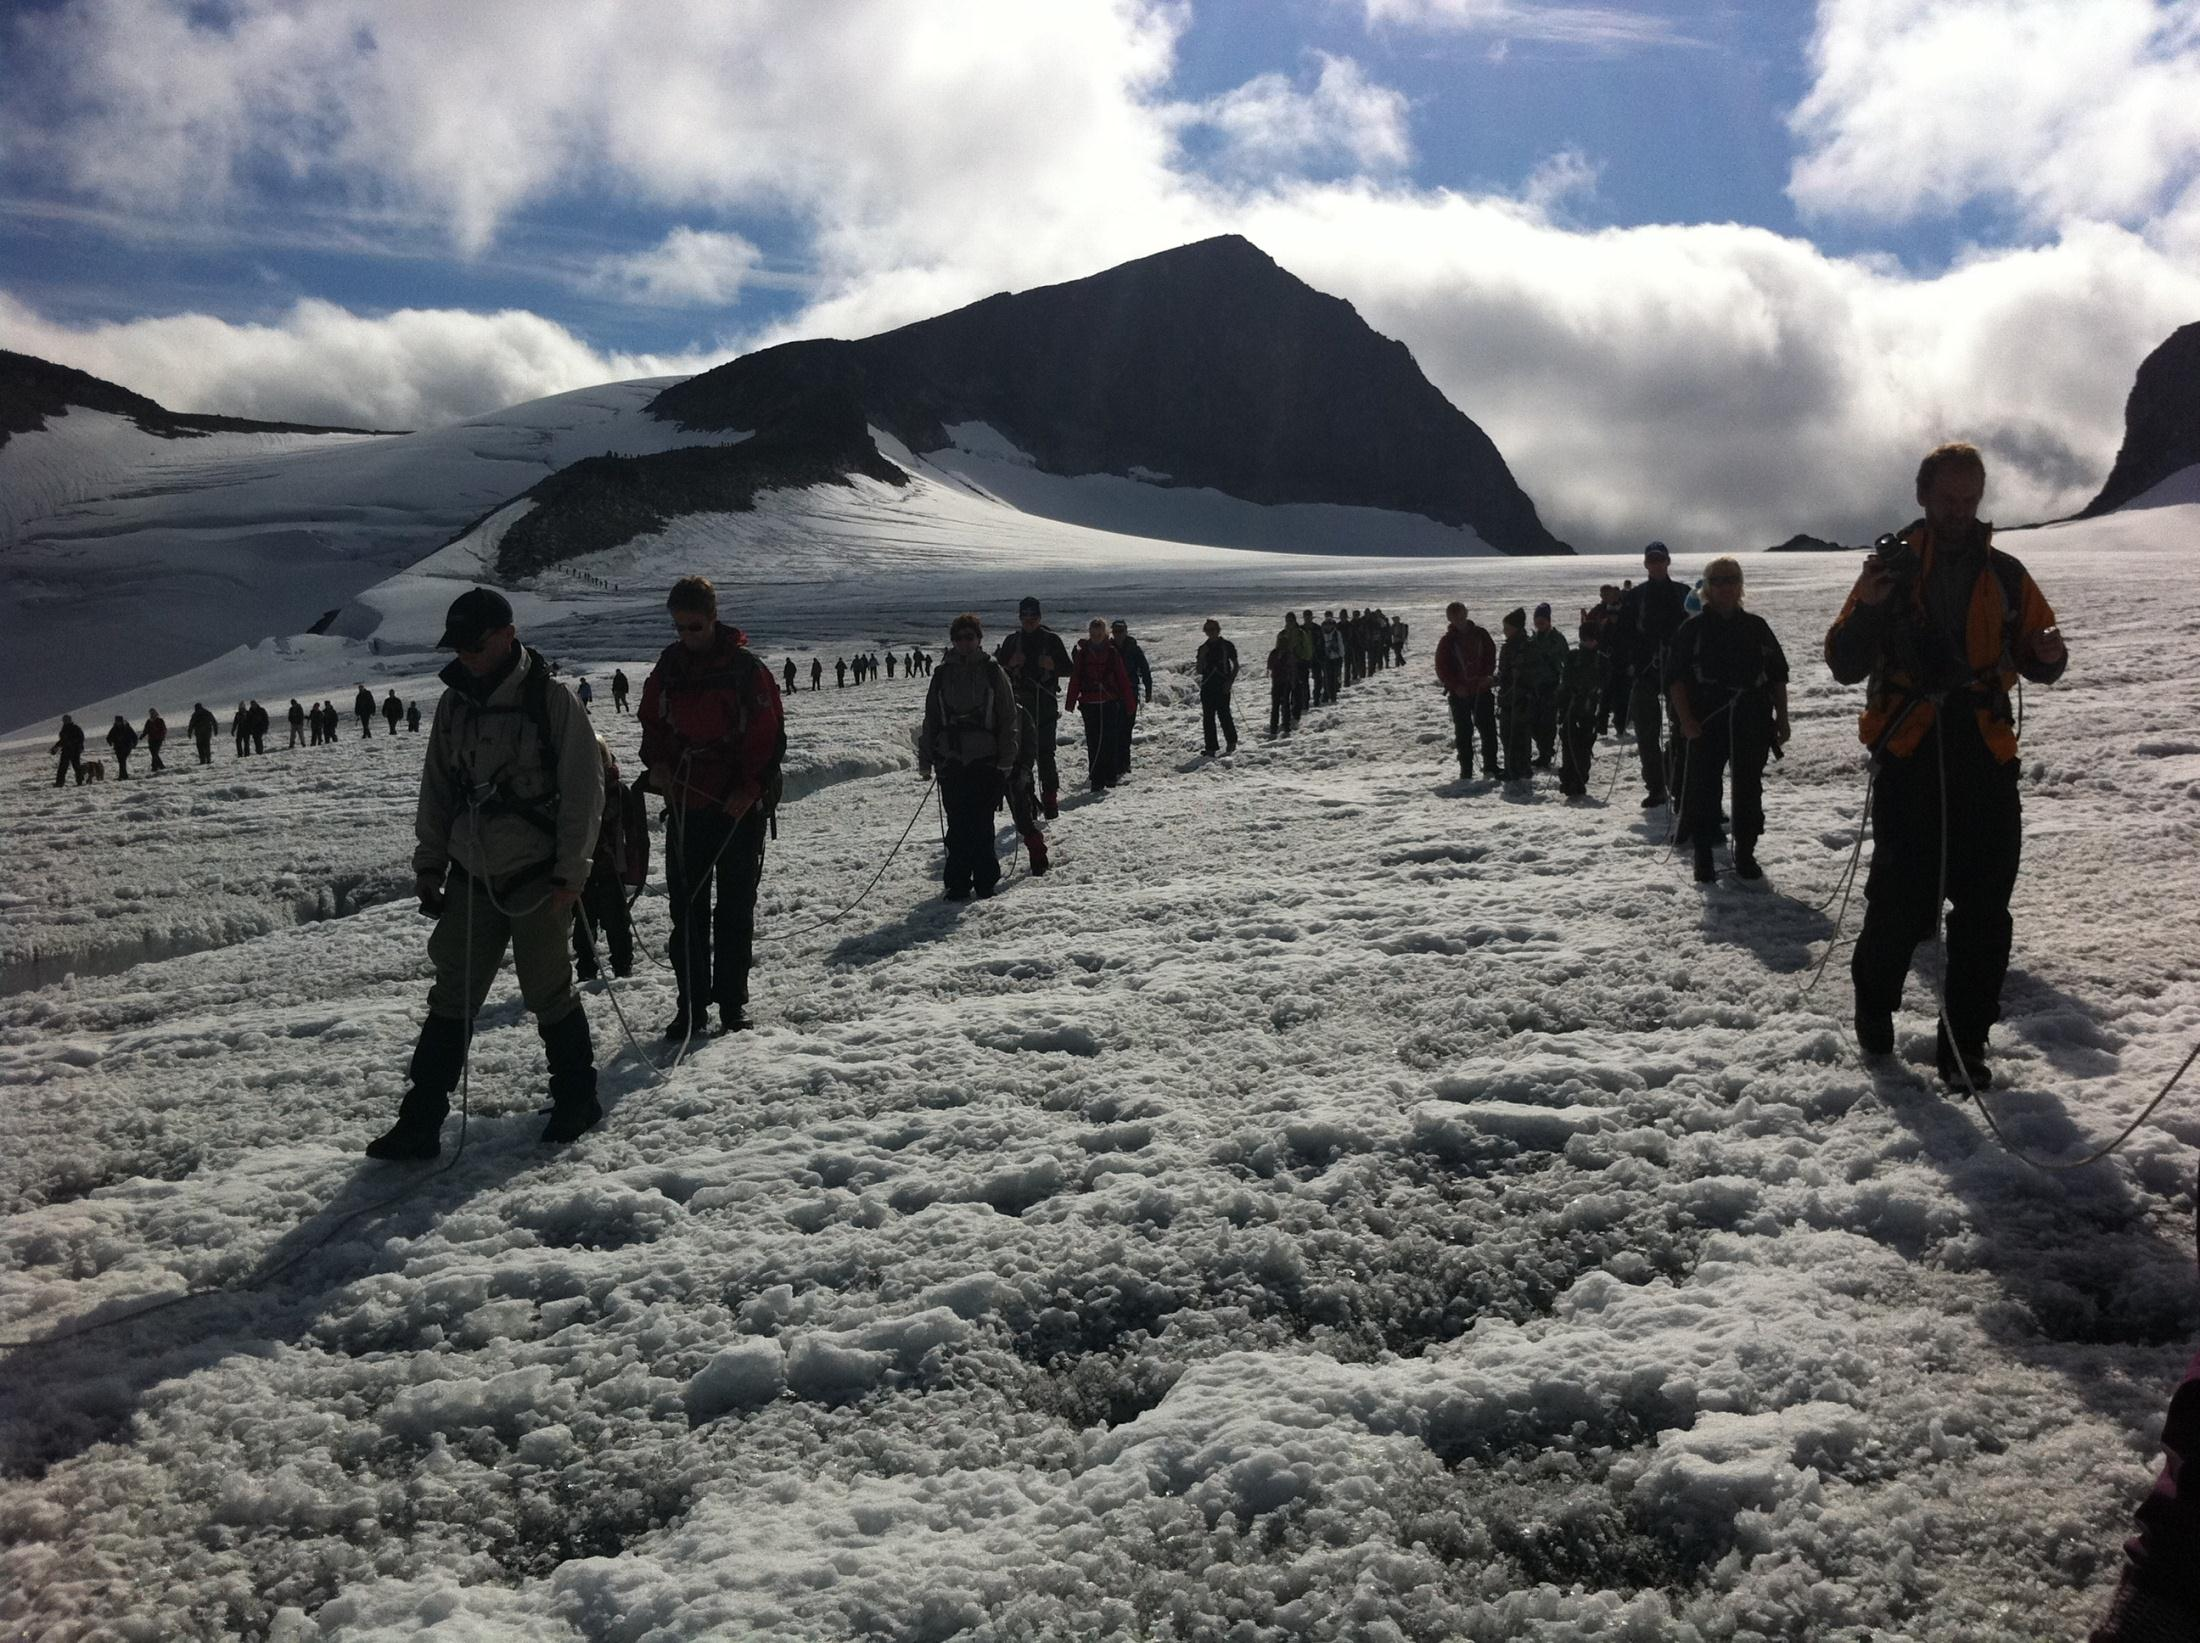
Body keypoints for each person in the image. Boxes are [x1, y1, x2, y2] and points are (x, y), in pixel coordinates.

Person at [1825, 441, 2065, 1087]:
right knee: (1900, 907)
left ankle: (1964, 1047)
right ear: (1923, 496)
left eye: (1969, 499)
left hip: (1985, 756)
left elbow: (2043, 658)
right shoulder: (1887, 574)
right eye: (1948, 498)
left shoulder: (2008, 575)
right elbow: (1844, 661)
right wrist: (1873, 606)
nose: (1959, 510)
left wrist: (2047, 653)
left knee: (1985, 911)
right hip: (1910, 753)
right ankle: (1874, 1006)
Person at [368, 586, 604, 1160]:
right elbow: (438, 787)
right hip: (472, 872)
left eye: (475, 644)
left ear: (507, 635)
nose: (466, 655)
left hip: (537, 876)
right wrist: (429, 863)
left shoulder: (552, 702)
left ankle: (578, 1097)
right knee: (452, 993)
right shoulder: (453, 705)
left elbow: (583, 792)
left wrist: (571, 875)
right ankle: (421, 1120)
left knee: (548, 989)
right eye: (461, 645)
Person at [640, 576, 783, 1040]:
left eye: (694, 627)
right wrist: (657, 763)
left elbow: (768, 736)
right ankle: (691, 1007)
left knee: (735, 907)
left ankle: (731, 1004)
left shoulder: (747, 671)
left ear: (713, 618)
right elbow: (652, 723)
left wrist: (750, 788)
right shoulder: (668, 667)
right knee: (687, 910)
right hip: (686, 803)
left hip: (737, 807)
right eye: (680, 628)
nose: (687, 636)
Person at [1667, 558, 1790, 880]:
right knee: (1704, 788)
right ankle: (1704, 855)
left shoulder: (1757, 627)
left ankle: (1746, 854)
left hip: (1752, 718)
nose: (1725, 586)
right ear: (1707, 587)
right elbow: (1676, 679)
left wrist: (1783, 718)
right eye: (1718, 580)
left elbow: (1777, 674)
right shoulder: (1691, 630)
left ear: (1740, 585)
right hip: (1706, 719)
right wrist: (1685, 720)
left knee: (1749, 788)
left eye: (1731, 579)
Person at [918, 613, 1021, 900]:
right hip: (951, 760)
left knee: (981, 823)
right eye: (959, 637)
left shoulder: (992, 672)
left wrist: (1007, 759)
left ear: (979, 639)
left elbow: (1008, 717)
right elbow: (932, 719)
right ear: (953, 641)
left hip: (986, 760)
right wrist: (925, 759)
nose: (964, 642)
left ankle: (985, 880)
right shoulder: (941, 675)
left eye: (969, 637)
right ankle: (958, 882)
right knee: (957, 826)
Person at [1616, 542, 1690, 807]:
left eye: (1660, 560)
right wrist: (1635, 661)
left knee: (1682, 729)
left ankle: (1678, 781)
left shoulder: (1684, 593)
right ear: (1646, 564)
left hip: (1677, 673)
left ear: (1667, 562)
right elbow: (1623, 634)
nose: (1657, 565)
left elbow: (1695, 632)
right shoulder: (1635, 597)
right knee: (1647, 733)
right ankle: (1656, 787)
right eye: (1652, 561)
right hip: (1645, 672)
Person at [995, 596, 1074, 817]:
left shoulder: (1052, 640)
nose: (1029, 619)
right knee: (1022, 758)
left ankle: (1050, 802)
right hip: (1019, 705)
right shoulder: (1011, 642)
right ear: (1020, 617)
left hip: (1045, 703)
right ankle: (1027, 802)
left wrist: (1054, 666)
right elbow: (997, 672)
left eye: (1033, 615)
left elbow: (1070, 668)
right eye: (1025, 615)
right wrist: (1010, 664)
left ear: (1039, 616)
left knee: (1045, 753)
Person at [571, 736, 636, 985]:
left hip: (611, 870)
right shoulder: (575, 792)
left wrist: (633, 870)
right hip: (583, 871)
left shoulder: (619, 793)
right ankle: (586, 968)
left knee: (616, 922)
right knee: (584, 924)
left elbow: (633, 832)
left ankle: (622, 966)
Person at [1064, 618, 1135, 794]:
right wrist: (1070, 702)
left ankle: (1110, 776)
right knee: (1093, 741)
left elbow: (1122, 678)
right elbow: (1076, 678)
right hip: (1089, 703)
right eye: (1093, 634)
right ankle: (1096, 778)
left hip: (1109, 701)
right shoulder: (1083, 654)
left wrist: (1130, 703)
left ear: (1105, 634)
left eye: (1099, 634)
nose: (1095, 638)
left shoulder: (1112, 653)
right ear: (1089, 634)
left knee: (1109, 740)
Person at [1434, 602, 1499, 782]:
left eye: (1461, 616)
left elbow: (1490, 657)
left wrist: (1486, 677)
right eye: (1455, 617)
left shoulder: (1481, 635)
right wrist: (1455, 686)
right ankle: (1466, 770)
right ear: (1450, 619)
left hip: (1481, 690)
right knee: (1463, 733)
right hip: (1459, 695)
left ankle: (1491, 767)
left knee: (1488, 730)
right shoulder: (1447, 642)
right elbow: (1442, 668)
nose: (1459, 620)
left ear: (1466, 614)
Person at [1557, 621, 1602, 799]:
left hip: (1589, 710)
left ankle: (1579, 780)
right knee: (1568, 745)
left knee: (1584, 747)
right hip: (1571, 708)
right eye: (1585, 639)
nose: (1588, 642)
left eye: (1591, 639)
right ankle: (1568, 780)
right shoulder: (1573, 657)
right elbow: (1565, 680)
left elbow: (1604, 682)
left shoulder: (1600, 659)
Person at [1525, 604, 1568, 768]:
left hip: (1551, 686)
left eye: (1542, 620)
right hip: (1534, 687)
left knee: (1547, 724)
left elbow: (1566, 661)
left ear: (1548, 621)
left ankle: (1545, 754)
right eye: (1537, 620)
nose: (1539, 623)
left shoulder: (1557, 639)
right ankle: (1544, 750)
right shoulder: (1532, 640)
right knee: (1533, 723)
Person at [1496, 609, 1531, 783]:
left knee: (1516, 735)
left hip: (1519, 697)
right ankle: (1513, 768)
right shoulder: (1510, 645)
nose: (1504, 631)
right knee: (1507, 734)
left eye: (1507, 627)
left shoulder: (1523, 647)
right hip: (1508, 696)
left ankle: (1519, 769)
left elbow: (1521, 675)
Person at [1196, 619, 1240, 756]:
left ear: (1218, 630)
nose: (1210, 633)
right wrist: (1201, 656)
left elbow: (1236, 666)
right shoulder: (1203, 648)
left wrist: (1230, 682)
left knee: (1224, 714)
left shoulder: (1227, 646)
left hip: (1222, 685)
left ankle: (1231, 741)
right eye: (1208, 630)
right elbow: (1199, 670)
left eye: (1213, 630)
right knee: (1208, 718)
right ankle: (1211, 747)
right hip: (1207, 686)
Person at [1111, 620, 1153, 708]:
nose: (1118, 634)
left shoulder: (1134, 649)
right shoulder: (1108, 649)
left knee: (1128, 720)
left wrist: (1148, 690)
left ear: (1126, 632)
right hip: (1112, 692)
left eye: (1121, 631)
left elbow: (1144, 669)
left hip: (1131, 690)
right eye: (1116, 631)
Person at [51, 715, 86, 786]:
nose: (65, 721)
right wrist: (55, 747)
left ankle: (80, 782)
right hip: (66, 751)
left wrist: (75, 744)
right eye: (64, 720)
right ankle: (59, 783)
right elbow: (62, 741)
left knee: (76, 766)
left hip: (75, 751)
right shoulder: (64, 729)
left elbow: (81, 738)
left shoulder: (76, 728)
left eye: (66, 720)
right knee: (62, 768)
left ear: (70, 720)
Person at [142, 708, 166, 773]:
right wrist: (142, 735)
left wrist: (162, 736)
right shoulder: (149, 721)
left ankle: (154, 766)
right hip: (151, 739)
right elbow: (146, 730)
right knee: (153, 753)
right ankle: (160, 765)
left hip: (158, 739)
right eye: (151, 713)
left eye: (153, 713)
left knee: (155, 753)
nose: (152, 714)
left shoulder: (160, 720)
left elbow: (163, 729)